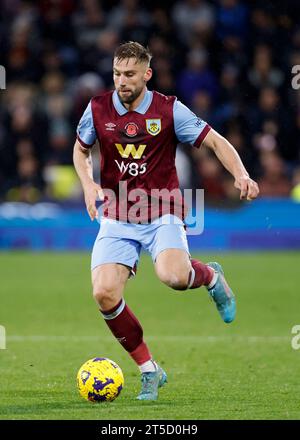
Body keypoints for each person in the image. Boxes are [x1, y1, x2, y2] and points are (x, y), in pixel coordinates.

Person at [73, 41, 259, 401]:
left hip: (162, 211)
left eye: (129, 74)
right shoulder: (97, 109)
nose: (122, 81)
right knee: (104, 293)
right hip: (117, 214)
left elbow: (215, 141)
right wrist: (88, 183)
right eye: (116, 74)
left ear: (147, 74)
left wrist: (241, 174)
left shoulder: (169, 110)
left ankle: (210, 275)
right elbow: (81, 149)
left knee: (173, 276)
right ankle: (149, 370)